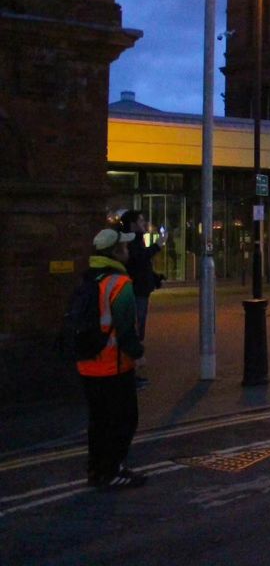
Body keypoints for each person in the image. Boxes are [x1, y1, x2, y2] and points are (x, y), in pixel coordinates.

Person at [78, 227, 147, 490]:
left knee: (98, 421)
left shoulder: (89, 278)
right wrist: (138, 355)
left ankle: (96, 470)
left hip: (88, 363)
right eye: (125, 247)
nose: (128, 251)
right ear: (116, 252)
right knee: (124, 419)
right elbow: (126, 329)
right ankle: (112, 470)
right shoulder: (120, 284)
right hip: (114, 365)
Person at [118, 210, 161, 389]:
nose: (144, 223)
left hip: (141, 290)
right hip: (136, 292)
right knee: (134, 330)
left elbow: (142, 265)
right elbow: (138, 260)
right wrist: (157, 246)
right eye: (142, 220)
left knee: (137, 329)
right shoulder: (131, 241)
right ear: (133, 223)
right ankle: (128, 373)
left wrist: (155, 277)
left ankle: (130, 371)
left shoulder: (136, 239)